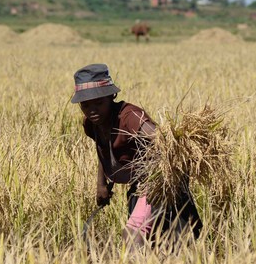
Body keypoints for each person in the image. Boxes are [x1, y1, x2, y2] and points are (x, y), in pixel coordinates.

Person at [71, 63, 202, 246]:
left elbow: (164, 139)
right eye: (85, 105)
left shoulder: (130, 117)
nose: (92, 110)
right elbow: (103, 148)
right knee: (156, 240)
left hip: (157, 179)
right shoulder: (92, 123)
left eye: (99, 103)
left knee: (133, 235)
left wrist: (162, 180)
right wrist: (101, 184)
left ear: (111, 96)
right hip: (138, 183)